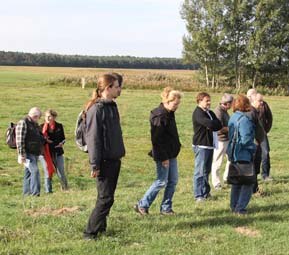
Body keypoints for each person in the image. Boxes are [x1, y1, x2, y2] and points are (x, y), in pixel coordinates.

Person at [83, 73, 125, 240]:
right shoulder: (96, 109)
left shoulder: (112, 106)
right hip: (104, 161)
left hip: (114, 158)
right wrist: (95, 165)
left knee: (108, 197)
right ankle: (90, 233)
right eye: (117, 86)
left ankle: (101, 228)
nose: (119, 89)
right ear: (108, 88)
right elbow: (93, 139)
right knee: (105, 198)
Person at [134, 87, 182, 215]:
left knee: (173, 181)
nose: (177, 106)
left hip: (172, 153)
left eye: (178, 104)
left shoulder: (169, 113)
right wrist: (164, 157)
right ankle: (142, 205)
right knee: (161, 181)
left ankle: (166, 208)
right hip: (163, 155)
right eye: (175, 103)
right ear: (167, 101)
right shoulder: (160, 115)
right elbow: (157, 140)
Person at [227, 95, 257, 214]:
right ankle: (240, 208)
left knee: (237, 181)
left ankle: (234, 206)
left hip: (233, 153)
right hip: (243, 154)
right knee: (247, 182)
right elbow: (245, 139)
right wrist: (253, 148)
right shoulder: (245, 120)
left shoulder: (233, 117)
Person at [192, 92, 222, 202]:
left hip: (210, 145)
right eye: (207, 101)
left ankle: (205, 192)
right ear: (199, 101)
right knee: (199, 171)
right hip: (201, 145)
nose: (209, 103)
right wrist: (211, 125)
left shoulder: (210, 112)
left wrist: (212, 125)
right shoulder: (198, 113)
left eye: (209, 100)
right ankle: (198, 195)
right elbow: (210, 124)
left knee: (206, 171)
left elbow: (218, 124)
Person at [16, 107, 44, 196]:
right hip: (27, 153)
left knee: (28, 173)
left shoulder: (34, 124)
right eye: (38, 117)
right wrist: (21, 154)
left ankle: (26, 193)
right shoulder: (23, 122)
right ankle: (35, 194)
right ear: (35, 116)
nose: (38, 119)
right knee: (35, 171)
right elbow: (20, 140)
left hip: (34, 152)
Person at [39, 109, 69, 193]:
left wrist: (61, 143)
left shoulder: (59, 126)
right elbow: (39, 140)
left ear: (54, 117)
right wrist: (46, 141)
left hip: (58, 151)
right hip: (46, 153)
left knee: (60, 171)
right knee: (48, 171)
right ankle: (48, 191)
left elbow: (63, 139)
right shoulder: (41, 127)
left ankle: (65, 188)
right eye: (46, 116)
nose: (47, 118)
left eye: (49, 116)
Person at [211, 93, 233, 190]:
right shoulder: (218, 112)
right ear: (227, 103)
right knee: (217, 161)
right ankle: (216, 183)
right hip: (220, 140)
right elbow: (218, 128)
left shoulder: (225, 111)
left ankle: (227, 178)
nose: (232, 105)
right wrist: (231, 129)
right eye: (231, 103)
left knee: (230, 159)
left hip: (227, 139)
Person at [252, 93, 273, 181]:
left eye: (262, 100)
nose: (261, 103)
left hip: (262, 134)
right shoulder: (250, 110)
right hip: (253, 137)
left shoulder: (264, 106)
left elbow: (270, 118)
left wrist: (265, 130)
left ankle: (265, 174)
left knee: (266, 153)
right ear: (253, 100)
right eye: (259, 101)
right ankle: (253, 176)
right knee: (255, 156)